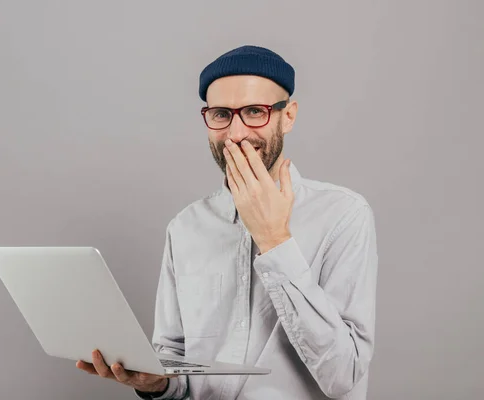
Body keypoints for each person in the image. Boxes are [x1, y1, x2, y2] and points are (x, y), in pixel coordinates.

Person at [76, 45, 379, 399]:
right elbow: (175, 362)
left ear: (288, 116)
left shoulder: (344, 215)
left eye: (255, 112)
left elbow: (344, 374)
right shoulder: (185, 226)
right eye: (221, 114)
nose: (235, 134)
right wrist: (156, 383)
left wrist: (274, 240)